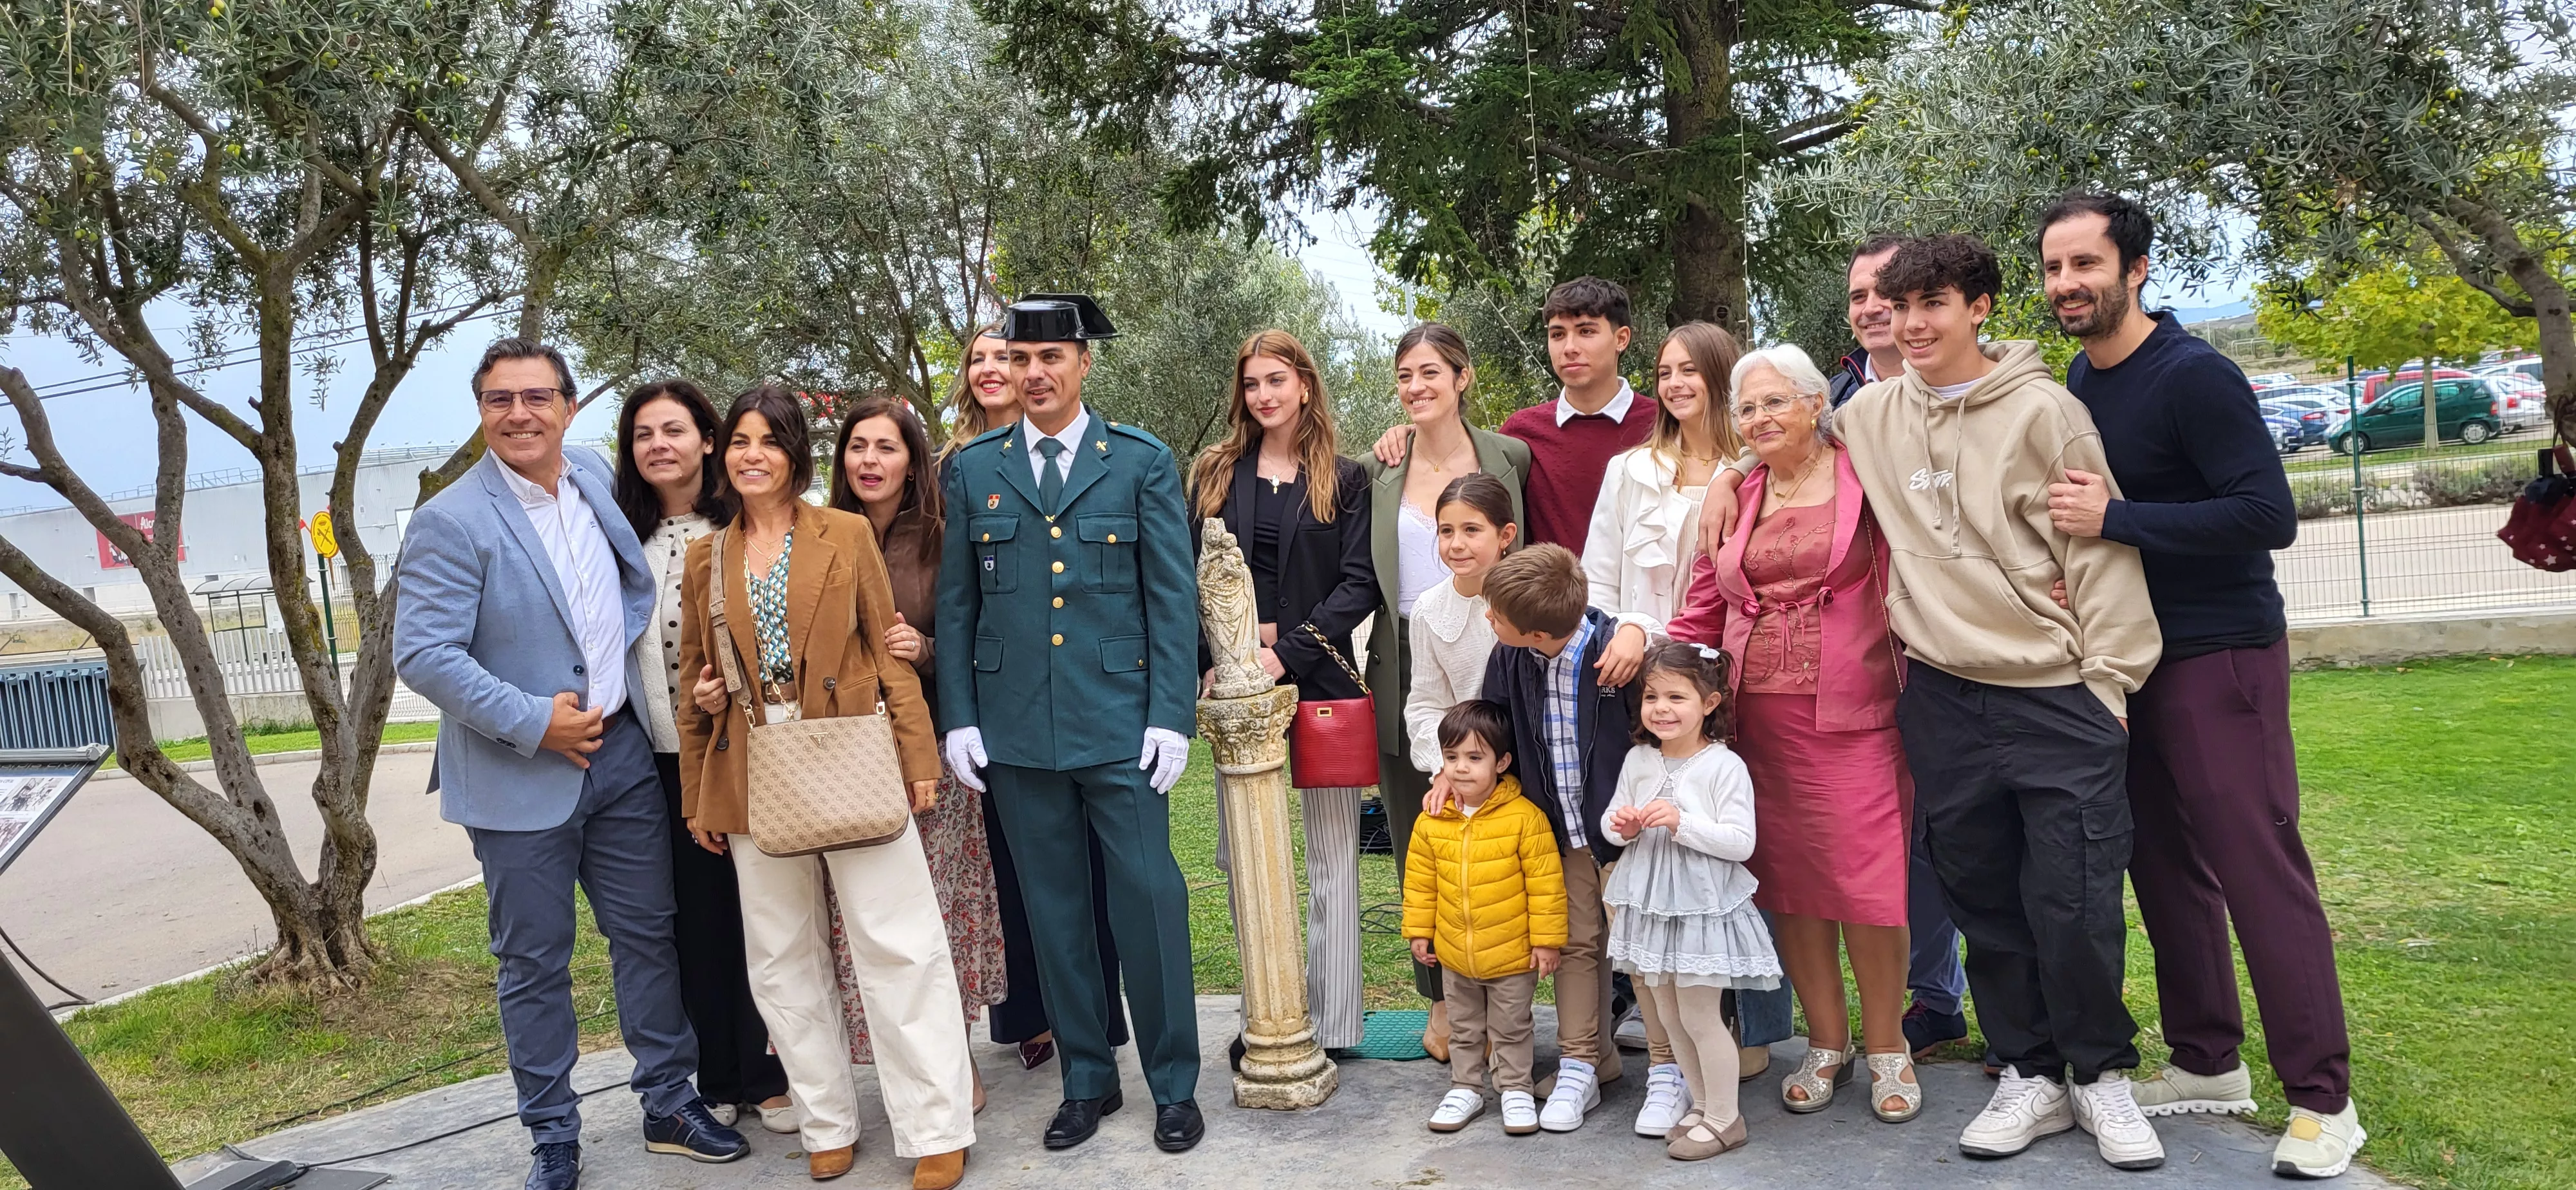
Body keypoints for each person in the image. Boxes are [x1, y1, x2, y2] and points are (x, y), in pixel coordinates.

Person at [2039, 193, 2359, 1178]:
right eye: (2053, 269)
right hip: (2125, 664)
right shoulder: (2077, 385)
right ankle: (2208, 1061)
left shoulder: (2194, 375)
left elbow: (2266, 514)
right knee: (2164, 869)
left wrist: (2121, 518)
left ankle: (2324, 1101)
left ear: (2136, 269)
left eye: (2085, 264)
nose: (2067, 286)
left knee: (2257, 868)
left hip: (2220, 659)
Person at [1833, 234, 2166, 1171]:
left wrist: (2107, 686)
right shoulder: (1869, 416)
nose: (1912, 325)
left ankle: (2101, 1077)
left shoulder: (2047, 414)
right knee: (1985, 899)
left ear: (1979, 306)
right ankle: (2031, 1073)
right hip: (1943, 695)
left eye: (1932, 303)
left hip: (2057, 694)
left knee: (2076, 898)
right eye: (1898, 309)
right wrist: (1734, 483)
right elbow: (1779, 442)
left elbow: (2100, 556)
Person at [395, 338, 748, 1190]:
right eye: (499, 400)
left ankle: (669, 1101)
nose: (520, 414)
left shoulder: (593, 475)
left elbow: (631, 586)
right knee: (535, 963)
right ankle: (553, 1133)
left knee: (648, 934)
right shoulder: (452, 519)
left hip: (621, 757)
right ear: (481, 409)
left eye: (536, 397)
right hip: (519, 775)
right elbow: (424, 654)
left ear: (569, 406)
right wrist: (533, 722)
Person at [674, 385, 971, 1187]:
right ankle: (826, 1118)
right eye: (738, 440)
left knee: (899, 943)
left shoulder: (841, 535)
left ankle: (936, 1122)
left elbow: (887, 652)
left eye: (768, 440)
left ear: (796, 453)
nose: (751, 455)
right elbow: (694, 685)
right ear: (722, 454)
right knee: (779, 958)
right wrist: (697, 792)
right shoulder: (708, 556)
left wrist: (918, 760)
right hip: (750, 770)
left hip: (850, 759)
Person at [935, 294, 1205, 1154]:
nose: (1035, 373)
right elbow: (958, 602)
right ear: (1004, 372)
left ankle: (1172, 1083)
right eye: (1021, 359)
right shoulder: (975, 469)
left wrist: (1170, 715)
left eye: (1053, 357)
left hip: (1121, 723)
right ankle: (1088, 1079)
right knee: (1053, 912)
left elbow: (1171, 594)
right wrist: (962, 719)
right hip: (1016, 731)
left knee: (1149, 900)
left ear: (1084, 364)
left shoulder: (1140, 462)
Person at [1665, 345, 1918, 1124]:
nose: (1760, 419)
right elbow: (1706, 601)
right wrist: (1657, 664)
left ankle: (1888, 1047)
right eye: (1746, 409)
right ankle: (1826, 1042)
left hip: (1856, 711)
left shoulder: (1863, 470)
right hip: (1758, 721)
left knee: (1869, 888)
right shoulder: (1737, 495)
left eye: (1776, 402)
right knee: (1791, 889)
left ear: (1816, 403)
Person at [937, 326, 1131, 1072]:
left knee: (1104, 876)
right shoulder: (959, 468)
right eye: (994, 359)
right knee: (1027, 880)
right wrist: (960, 712)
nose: (1010, 370)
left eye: (1019, 357)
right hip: (1004, 709)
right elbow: (957, 598)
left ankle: (1096, 1022)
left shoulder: (1113, 457)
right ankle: (1040, 1018)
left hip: (1096, 707)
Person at [1577, 320, 1748, 1132]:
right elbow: (1600, 574)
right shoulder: (1628, 469)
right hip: (1644, 678)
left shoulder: (1750, 468)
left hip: (1728, 677)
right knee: (1644, 855)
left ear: (1720, 378)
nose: (1676, 383)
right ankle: (1667, 1063)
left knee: (1721, 841)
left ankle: (1730, 1041)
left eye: (1692, 371)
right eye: (1666, 371)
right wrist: (1639, 640)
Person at [610, 379, 791, 1135]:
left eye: (675, 430)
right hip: (655, 757)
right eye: (644, 433)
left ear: (707, 440)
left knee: (764, 914)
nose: (660, 445)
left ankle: (772, 1073)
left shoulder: (739, 529)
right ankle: (716, 1073)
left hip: (748, 756)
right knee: (693, 924)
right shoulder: (616, 535)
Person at [1190, 329, 1377, 1055]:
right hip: (1235, 692)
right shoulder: (1214, 471)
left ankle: (1333, 1025)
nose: (1263, 395)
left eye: (1276, 380)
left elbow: (1358, 583)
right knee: (1243, 861)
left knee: (1332, 856)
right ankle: (1265, 1013)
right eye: (1251, 384)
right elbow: (1189, 575)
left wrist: (1285, 651)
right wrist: (1219, 659)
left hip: (1320, 682)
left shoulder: (1347, 477)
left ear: (1304, 384)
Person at [824, 393, 1009, 1113]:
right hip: (840, 758)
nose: (870, 461)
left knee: (938, 912)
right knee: (862, 921)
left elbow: (979, 634)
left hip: (927, 753)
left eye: (886, 448)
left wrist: (925, 650)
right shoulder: (819, 534)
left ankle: (954, 1063)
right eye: (858, 447)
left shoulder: (939, 535)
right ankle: (892, 1069)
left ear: (913, 461)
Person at [1360, 323, 1529, 1058]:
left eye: (1430, 371)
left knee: (1518, 838)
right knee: (1419, 836)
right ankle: (1441, 1002)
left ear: (1463, 377)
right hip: (1407, 658)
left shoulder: (1510, 456)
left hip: (1497, 651)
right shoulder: (1379, 468)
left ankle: (1515, 995)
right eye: (1404, 375)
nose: (1416, 386)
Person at [1463, 543, 1643, 1133]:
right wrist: (1454, 767)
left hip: (1627, 840)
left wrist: (1637, 631)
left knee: (1644, 953)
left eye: (1496, 615)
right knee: (1574, 946)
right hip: (1560, 837)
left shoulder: (1616, 656)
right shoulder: (1511, 658)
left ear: (1535, 631)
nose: (1489, 620)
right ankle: (1581, 1063)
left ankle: (1671, 1070)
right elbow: (1491, 721)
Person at [1598, 642, 1781, 1161]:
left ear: (1709, 703)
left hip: (1702, 907)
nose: (1661, 708)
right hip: (1651, 904)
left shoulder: (1723, 767)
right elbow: (1614, 819)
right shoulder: (1639, 759)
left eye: (1677, 697)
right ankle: (1701, 1106)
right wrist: (1626, 827)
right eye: (1652, 695)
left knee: (1702, 1014)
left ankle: (1728, 1117)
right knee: (1669, 1015)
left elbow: (1740, 842)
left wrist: (1683, 822)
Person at [1370, 279, 1653, 556]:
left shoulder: (1661, 425)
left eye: (1586, 331)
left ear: (1621, 339)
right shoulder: (1522, 433)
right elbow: (1461, 444)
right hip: (1546, 601)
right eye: (1557, 334)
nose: (1569, 347)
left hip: (1641, 600)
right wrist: (1411, 431)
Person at [1403, 699, 1564, 1138]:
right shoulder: (1431, 822)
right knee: (1464, 1027)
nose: (1461, 768)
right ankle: (1466, 1087)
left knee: (1511, 1027)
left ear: (1502, 762)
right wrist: (1420, 930)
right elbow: (1420, 882)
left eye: (1475, 758)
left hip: (1512, 956)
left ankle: (1514, 1088)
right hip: (1456, 955)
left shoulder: (1525, 820)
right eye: (1452, 758)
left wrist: (1546, 940)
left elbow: (1546, 884)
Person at [1827, 234, 1908, 408]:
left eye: (1886, 292)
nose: (1870, 308)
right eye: (1859, 297)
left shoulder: (1960, 386)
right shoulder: (1830, 402)